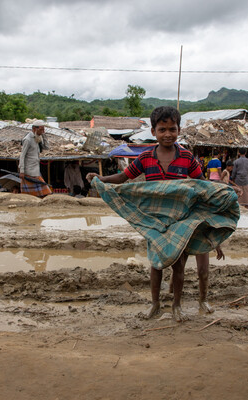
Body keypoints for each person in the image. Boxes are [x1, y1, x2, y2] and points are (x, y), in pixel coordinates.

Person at [86, 106, 229, 321]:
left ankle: (177, 306)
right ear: (153, 132)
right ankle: (154, 304)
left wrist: (217, 216)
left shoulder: (187, 158)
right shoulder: (145, 158)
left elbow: (204, 190)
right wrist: (102, 179)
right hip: (155, 221)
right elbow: (124, 178)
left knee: (179, 265)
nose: (168, 134)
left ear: (179, 130)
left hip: (181, 220)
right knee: (156, 263)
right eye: (162, 129)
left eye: (172, 129)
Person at [19, 120, 52, 197]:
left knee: (40, 193)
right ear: (34, 128)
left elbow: (47, 147)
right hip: (29, 170)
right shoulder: (27, 139)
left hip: (36, 169)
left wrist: (44, 135)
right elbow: (22, 155)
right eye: (41, 129)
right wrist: (22, 170)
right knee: (45, 191)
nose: (42, 131)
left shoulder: (38, 138)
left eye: (43, 129)